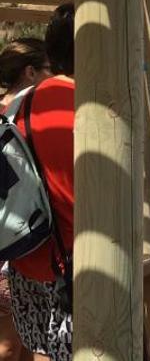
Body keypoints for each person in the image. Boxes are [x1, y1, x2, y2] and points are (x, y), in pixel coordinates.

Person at [5, 5, 73, 361]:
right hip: (77, 264)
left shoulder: (15, 105)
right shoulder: (91, 107)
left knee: (39, 350)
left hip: (23, 251)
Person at [0, 37, 51, 361]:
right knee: (13, 343)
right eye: (50, 69)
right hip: (19, 242)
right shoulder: (28, 116)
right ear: (31, 72)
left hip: (9, 238)